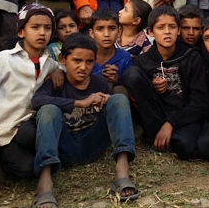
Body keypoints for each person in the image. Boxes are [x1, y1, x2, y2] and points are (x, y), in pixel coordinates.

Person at [31, 33, 139, 206]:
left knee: (118, 99)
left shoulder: (99, 83)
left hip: (93, 143)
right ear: (63, 59)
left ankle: (122, 171)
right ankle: (45, 181)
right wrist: (79, 103)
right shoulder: (56, 83)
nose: (83, 67)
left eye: (89, 62)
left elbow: (110, 112)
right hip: (64, 148)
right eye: (77, 61)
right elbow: (36, 101)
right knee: (48, 109)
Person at [121, 5, 209, 160]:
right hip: (156, 115)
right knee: (131, 74)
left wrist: (171, 123)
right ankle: (154, 134)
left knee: (185, 147)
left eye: (172, 27)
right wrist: (151, 86)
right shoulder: (143, 61)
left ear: (178, 31)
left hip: (184, 116)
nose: (167, 31)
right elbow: (140, 97)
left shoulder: (192, 57)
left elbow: (200, 103)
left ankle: (169, 135)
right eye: (161, 27)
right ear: (151, 32)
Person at [0, 3, 59, 180]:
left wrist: (58, 71)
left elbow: (66, 71)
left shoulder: (51, 63)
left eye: (47, 28)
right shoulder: (3, 60)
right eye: (35, 27)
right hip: (2, 129)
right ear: (21, 32)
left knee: (34, 148)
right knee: (27, 170)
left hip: (28, 125)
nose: (42, 33)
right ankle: (2, 157)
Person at [89, 8, 132, 96]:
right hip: (86, 100)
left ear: (119, 31)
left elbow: (129, 85)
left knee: (119, 90)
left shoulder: (124, 57)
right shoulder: (84, 55)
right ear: (91, 33)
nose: (106, 34)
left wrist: (117, 79)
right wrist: (100, 74)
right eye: (100, 29)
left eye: (111, 28)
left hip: (113, 101)